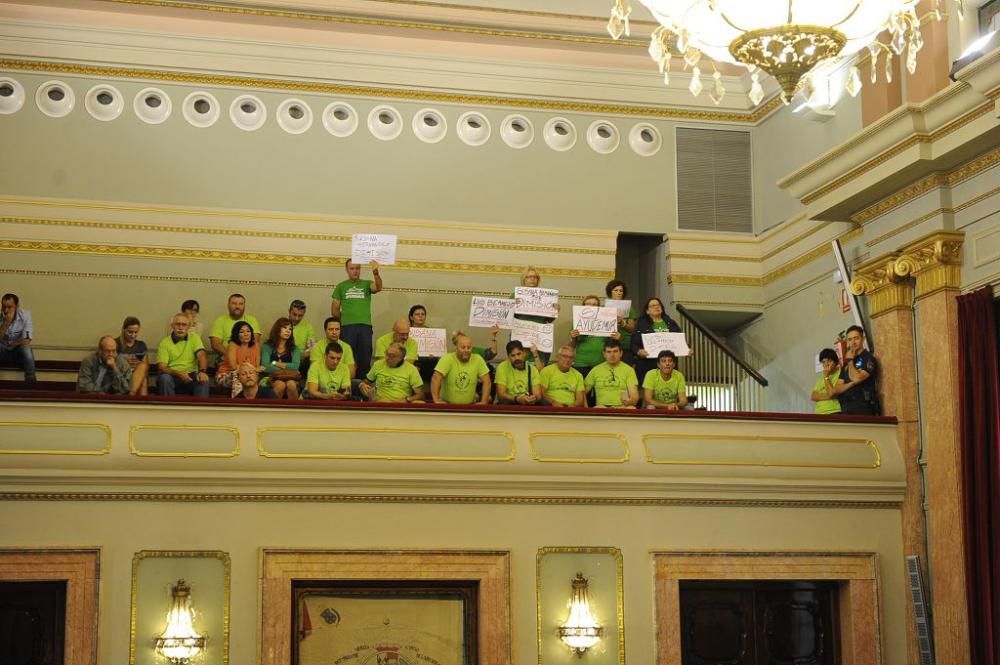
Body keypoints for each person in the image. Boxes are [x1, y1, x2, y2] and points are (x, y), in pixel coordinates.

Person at [331, 259, 382, 379]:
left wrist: (376, 274)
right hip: (347, 327)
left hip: (365, 327)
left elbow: (378, 287)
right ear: (347, 270)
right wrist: (345, 321)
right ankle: (347, 385)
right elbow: (334, 310)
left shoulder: (366, 283)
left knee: (364, 358)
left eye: (357, 268)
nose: (355, 271)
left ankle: (363, 387)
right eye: (352, 268)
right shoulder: (341, 286)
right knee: (348, 358)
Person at [512, 266, 557, 366]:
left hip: (540, 336)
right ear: (524, 280)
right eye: (529, 277)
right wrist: (512, 305)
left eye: (535, 277)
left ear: (538, 280)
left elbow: (549, 320)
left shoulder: (546, 297)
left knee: (539, 366)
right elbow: (509, 317)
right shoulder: (515, 295)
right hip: (521, 334)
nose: (532, 279)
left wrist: (555, 312)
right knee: (520, 364)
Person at [156, 314, 210, 397]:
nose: (180, 328)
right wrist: (179, 374)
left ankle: (200, 409)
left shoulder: (195, 338)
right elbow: (162, 367)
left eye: (184, 325)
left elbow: (202, 355)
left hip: (191, 376)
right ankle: (168, 408)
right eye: (178, 324)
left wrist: (202, 372)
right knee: (164, 378)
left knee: (203, 380)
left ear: (189, 327)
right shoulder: (164, 343)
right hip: (172, 376)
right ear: (172, 326)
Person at [431, 331, 491, 405]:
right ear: (456, 348)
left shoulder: (478, 359)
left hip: (469, 405)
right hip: (447, 405)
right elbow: (436, 378)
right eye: (463, 347)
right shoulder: (447, 358)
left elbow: (487, 381)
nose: (466, 350)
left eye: (469, 347)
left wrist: (484, 402)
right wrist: (436, 400)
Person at [631, 296, 683, 381]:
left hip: (668, 364)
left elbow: (680, 339)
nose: (657, 307)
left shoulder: (671, 322)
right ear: (647, 311)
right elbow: (634, 343)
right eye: (653, 306)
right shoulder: (641, 324)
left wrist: (686, 348)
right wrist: (639, 351)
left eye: (658, 305)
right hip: (648, 364)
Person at [569, 294, 620, 378]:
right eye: (588, 304)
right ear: (583, 307)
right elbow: (571, 346)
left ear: (599, 307)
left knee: (600, 390)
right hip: (581, 363)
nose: (591, 307)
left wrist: (617, 339)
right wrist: (573, 338)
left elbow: (612, 345)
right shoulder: (577, 322)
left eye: (594, 304)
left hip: (601, 363)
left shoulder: (607, 321)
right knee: (583, 390)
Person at [834, 325, 880, 415]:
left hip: (863, 408)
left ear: (863, 339)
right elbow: (836, 389)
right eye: (850, 339)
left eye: (856, 338)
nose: (853, 342)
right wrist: (851, 384)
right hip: (846, 407)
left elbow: (856, 379)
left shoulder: (868, 359)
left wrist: (851, 361)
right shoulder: (846, 363)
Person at [360, 342, 425, 403]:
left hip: (402, 403)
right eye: (386, 354)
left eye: (392, 356)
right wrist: (362, 385)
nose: (387, 358)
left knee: (420, 403)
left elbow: (420, 395)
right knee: (383, 401)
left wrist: (407, 399)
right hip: (381, 401)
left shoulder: (411, 369)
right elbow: (366, 381)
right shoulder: (378, 364)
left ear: (401, 358)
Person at [585, 338, 639, 408]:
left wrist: (630, 401)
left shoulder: (629, 370)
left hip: (621, 407)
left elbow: (634, 396)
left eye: (615, 351)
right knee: (599, 408)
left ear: (621, 353)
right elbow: (582, 392)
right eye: (609, 352)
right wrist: (585, 407)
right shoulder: (596, 370)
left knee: (632, 408)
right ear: (604, 354)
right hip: (601, 408)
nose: (612, 355)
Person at [208, 293, 261, 360]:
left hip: (248, 358)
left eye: (240, 304)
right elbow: (215, 344)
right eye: (234, 303)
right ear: (228, 305)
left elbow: (255, 342)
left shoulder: (252, 320)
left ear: (244, 306)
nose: (237, 306)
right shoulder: (220, 320)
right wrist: (231, 356)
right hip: (225, 357)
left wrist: (243, 357)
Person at [260, 317, 302, 400]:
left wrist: (276, 363)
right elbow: (265, 366)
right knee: (280, 385)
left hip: (290, 377)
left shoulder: (295, 349)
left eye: (290, 329)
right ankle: (273, 411)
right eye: (284, 328)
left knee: (291, 384)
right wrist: (286, 367)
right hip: (270, 377)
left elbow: (295, 366)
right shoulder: (267, 346)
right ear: (277, 329)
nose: (288, 331)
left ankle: (294, 411)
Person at [0, 293, 36, 382]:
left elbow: (27, 340)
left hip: (17, 352)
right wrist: (6, 322)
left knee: (26, 348)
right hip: (3, 352)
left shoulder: (26, 315)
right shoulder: (1, 316)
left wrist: (12, 344)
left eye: (9, 307)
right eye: (4, 307)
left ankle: (30, 378)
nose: (6, 310)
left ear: (17, 306)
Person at [215, 321, 263, 389]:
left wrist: (254, 371)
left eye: (248, 331)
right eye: (242, 332)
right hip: (228, 373)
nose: (246, 334)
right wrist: (251, 367)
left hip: (249, 374)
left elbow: (257, 366)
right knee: (241, 383)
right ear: (236, 334)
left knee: (255, 382)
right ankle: (239, 399)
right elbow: (234, 367)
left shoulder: (256, 345)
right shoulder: (232, 345)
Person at [494, 340, 541, 405]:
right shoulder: (502, 367)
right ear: (508, 357)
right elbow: (501, 395)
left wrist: (533, 398)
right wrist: (517, 399)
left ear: (524, 353)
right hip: (510, 403)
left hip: (528, 403)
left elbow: (538, 395)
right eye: (513, 355)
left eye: (519, 354)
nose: (517, 358)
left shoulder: (532, 369)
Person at [605, 280, 637, 364]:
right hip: (609, 344)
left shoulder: (629, 308)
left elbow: (632, 328)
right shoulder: (604, 308)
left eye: (621, 291)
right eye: (616, 290)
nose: (619, 293)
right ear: (610, 292)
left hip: (625, 345)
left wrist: (622, 322)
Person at [116, 316, 149, 396]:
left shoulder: (141, 345)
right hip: (121, 375)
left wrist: (138, 363)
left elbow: (146, 367)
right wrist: (125, 362)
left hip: (136, 374)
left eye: (136, 332)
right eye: (130, 332)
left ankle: (131, 394)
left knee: (143, 368)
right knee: (142, 379)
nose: (133, 335)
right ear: (124, 330)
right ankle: (132, 396)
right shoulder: (115, 343)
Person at [810, 347, 843, 415]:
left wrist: (826, 377)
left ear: (835, 362)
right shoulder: (821, 379)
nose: (826, 364)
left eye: (829, 361)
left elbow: (832, 393)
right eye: (823, 362)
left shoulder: (841, 374)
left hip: (834, 411)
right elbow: (813, 396)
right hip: (819, 413)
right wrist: (829, 396)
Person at [287, 299, 316, 366]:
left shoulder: (308, 327)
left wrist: (299, 356)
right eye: (294, 314)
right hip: (285, 357)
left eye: (300, 315)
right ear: (289, 311)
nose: (296, 318)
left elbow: (311, 348)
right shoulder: (282, 324)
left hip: (302, 359)